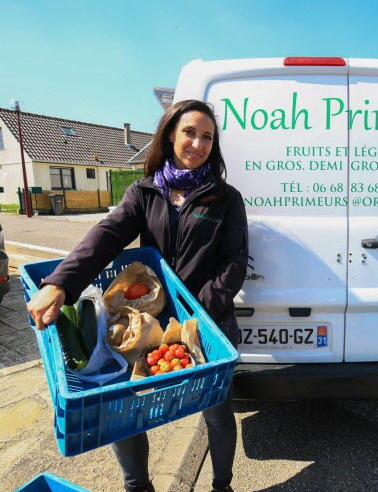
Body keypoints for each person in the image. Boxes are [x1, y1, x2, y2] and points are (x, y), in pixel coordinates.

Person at [27, 100, 248, 492]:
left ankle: (222, 486)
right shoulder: (144, 192)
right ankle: (138, 487)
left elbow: (234, 262)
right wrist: (60, 283)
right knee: (126, 411)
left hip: (209, 322)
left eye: (207, 137)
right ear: (169, 135)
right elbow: (107, 236)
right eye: (190, 133)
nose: (198, 143)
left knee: (216, 409)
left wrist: (200, 311)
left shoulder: (225, 198)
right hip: (151, 325)